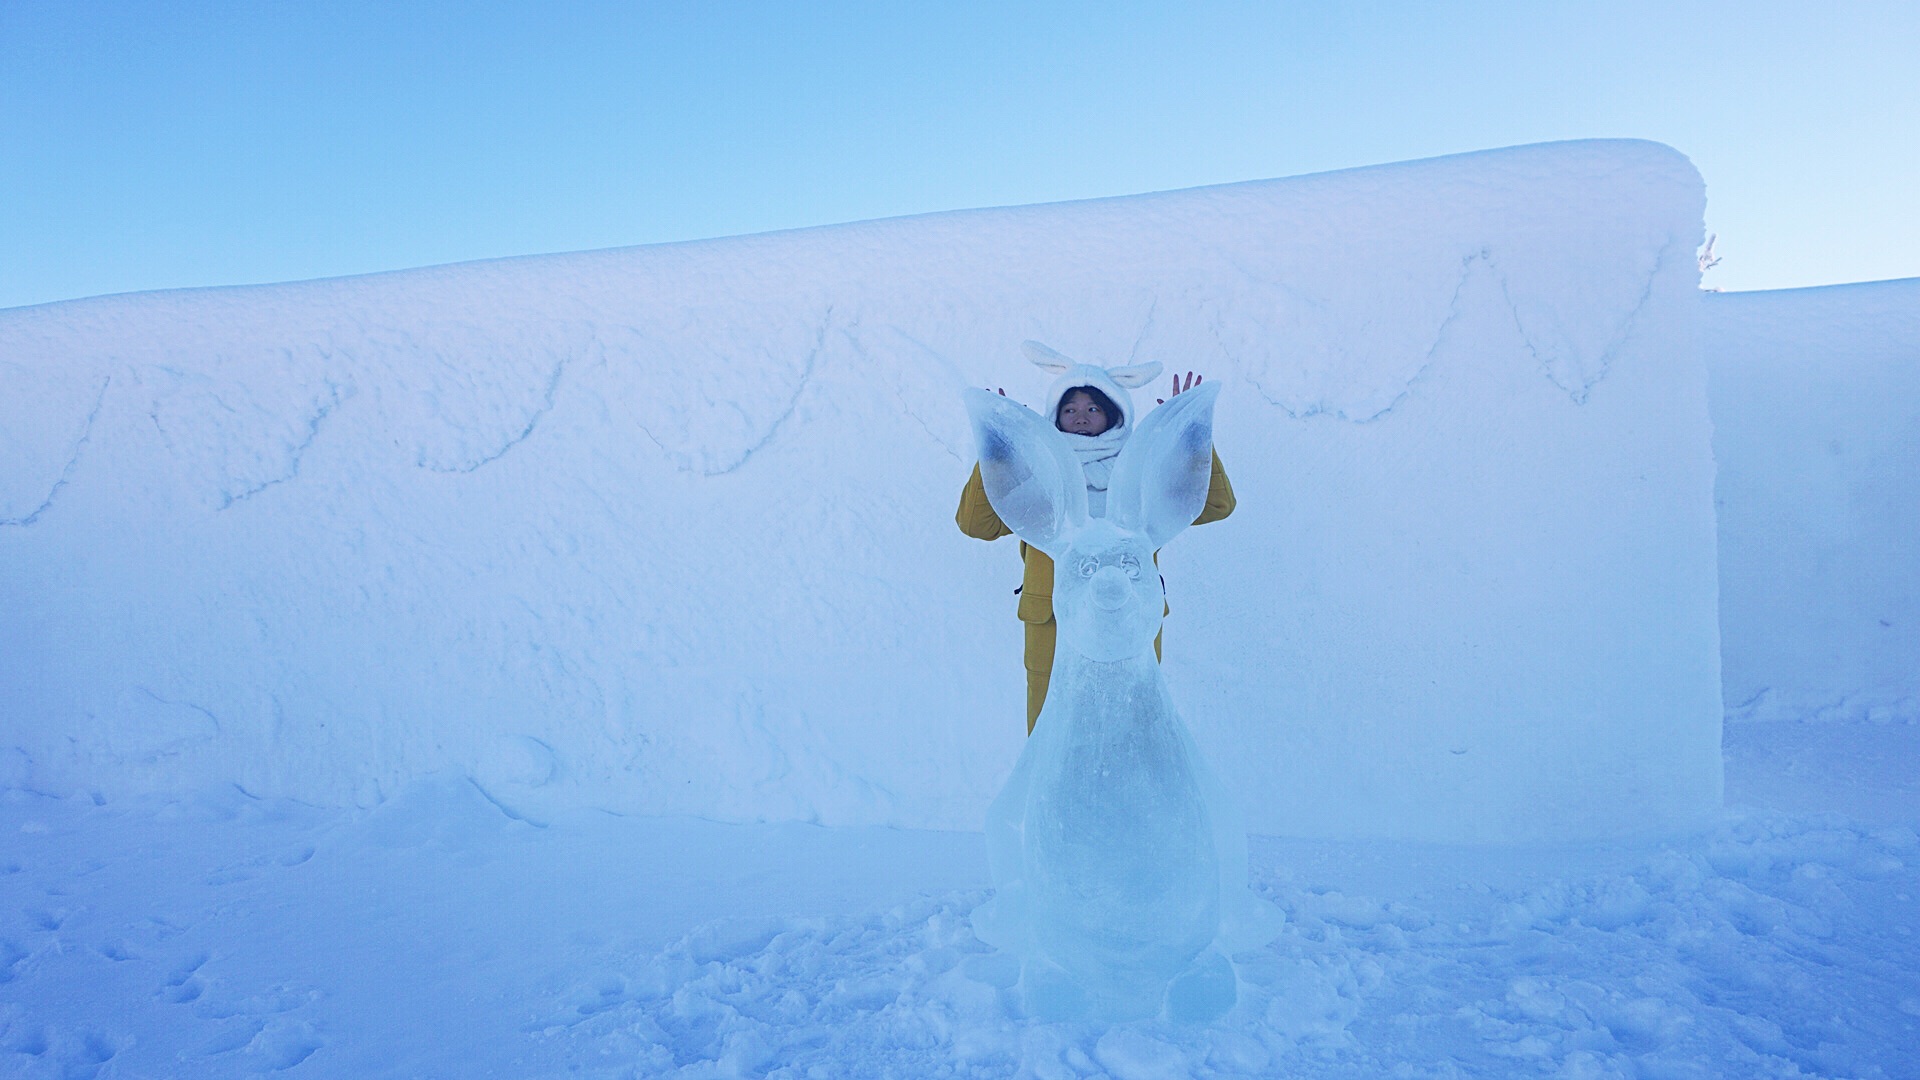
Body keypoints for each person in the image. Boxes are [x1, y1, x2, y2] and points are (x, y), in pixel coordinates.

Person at [958, 355, 1235, 733]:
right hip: (1053, 627)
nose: (1081, 416)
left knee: (1133, 737)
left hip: (1130, 622)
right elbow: (977, 525)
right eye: (1069, 408)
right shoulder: (1038, 473)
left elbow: (1216, 506)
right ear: (1055, 417)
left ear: (1114, 414)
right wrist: (999, 449)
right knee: (1054, 743)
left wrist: (1191, 437)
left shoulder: (1143, 469)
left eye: (1092, 407)